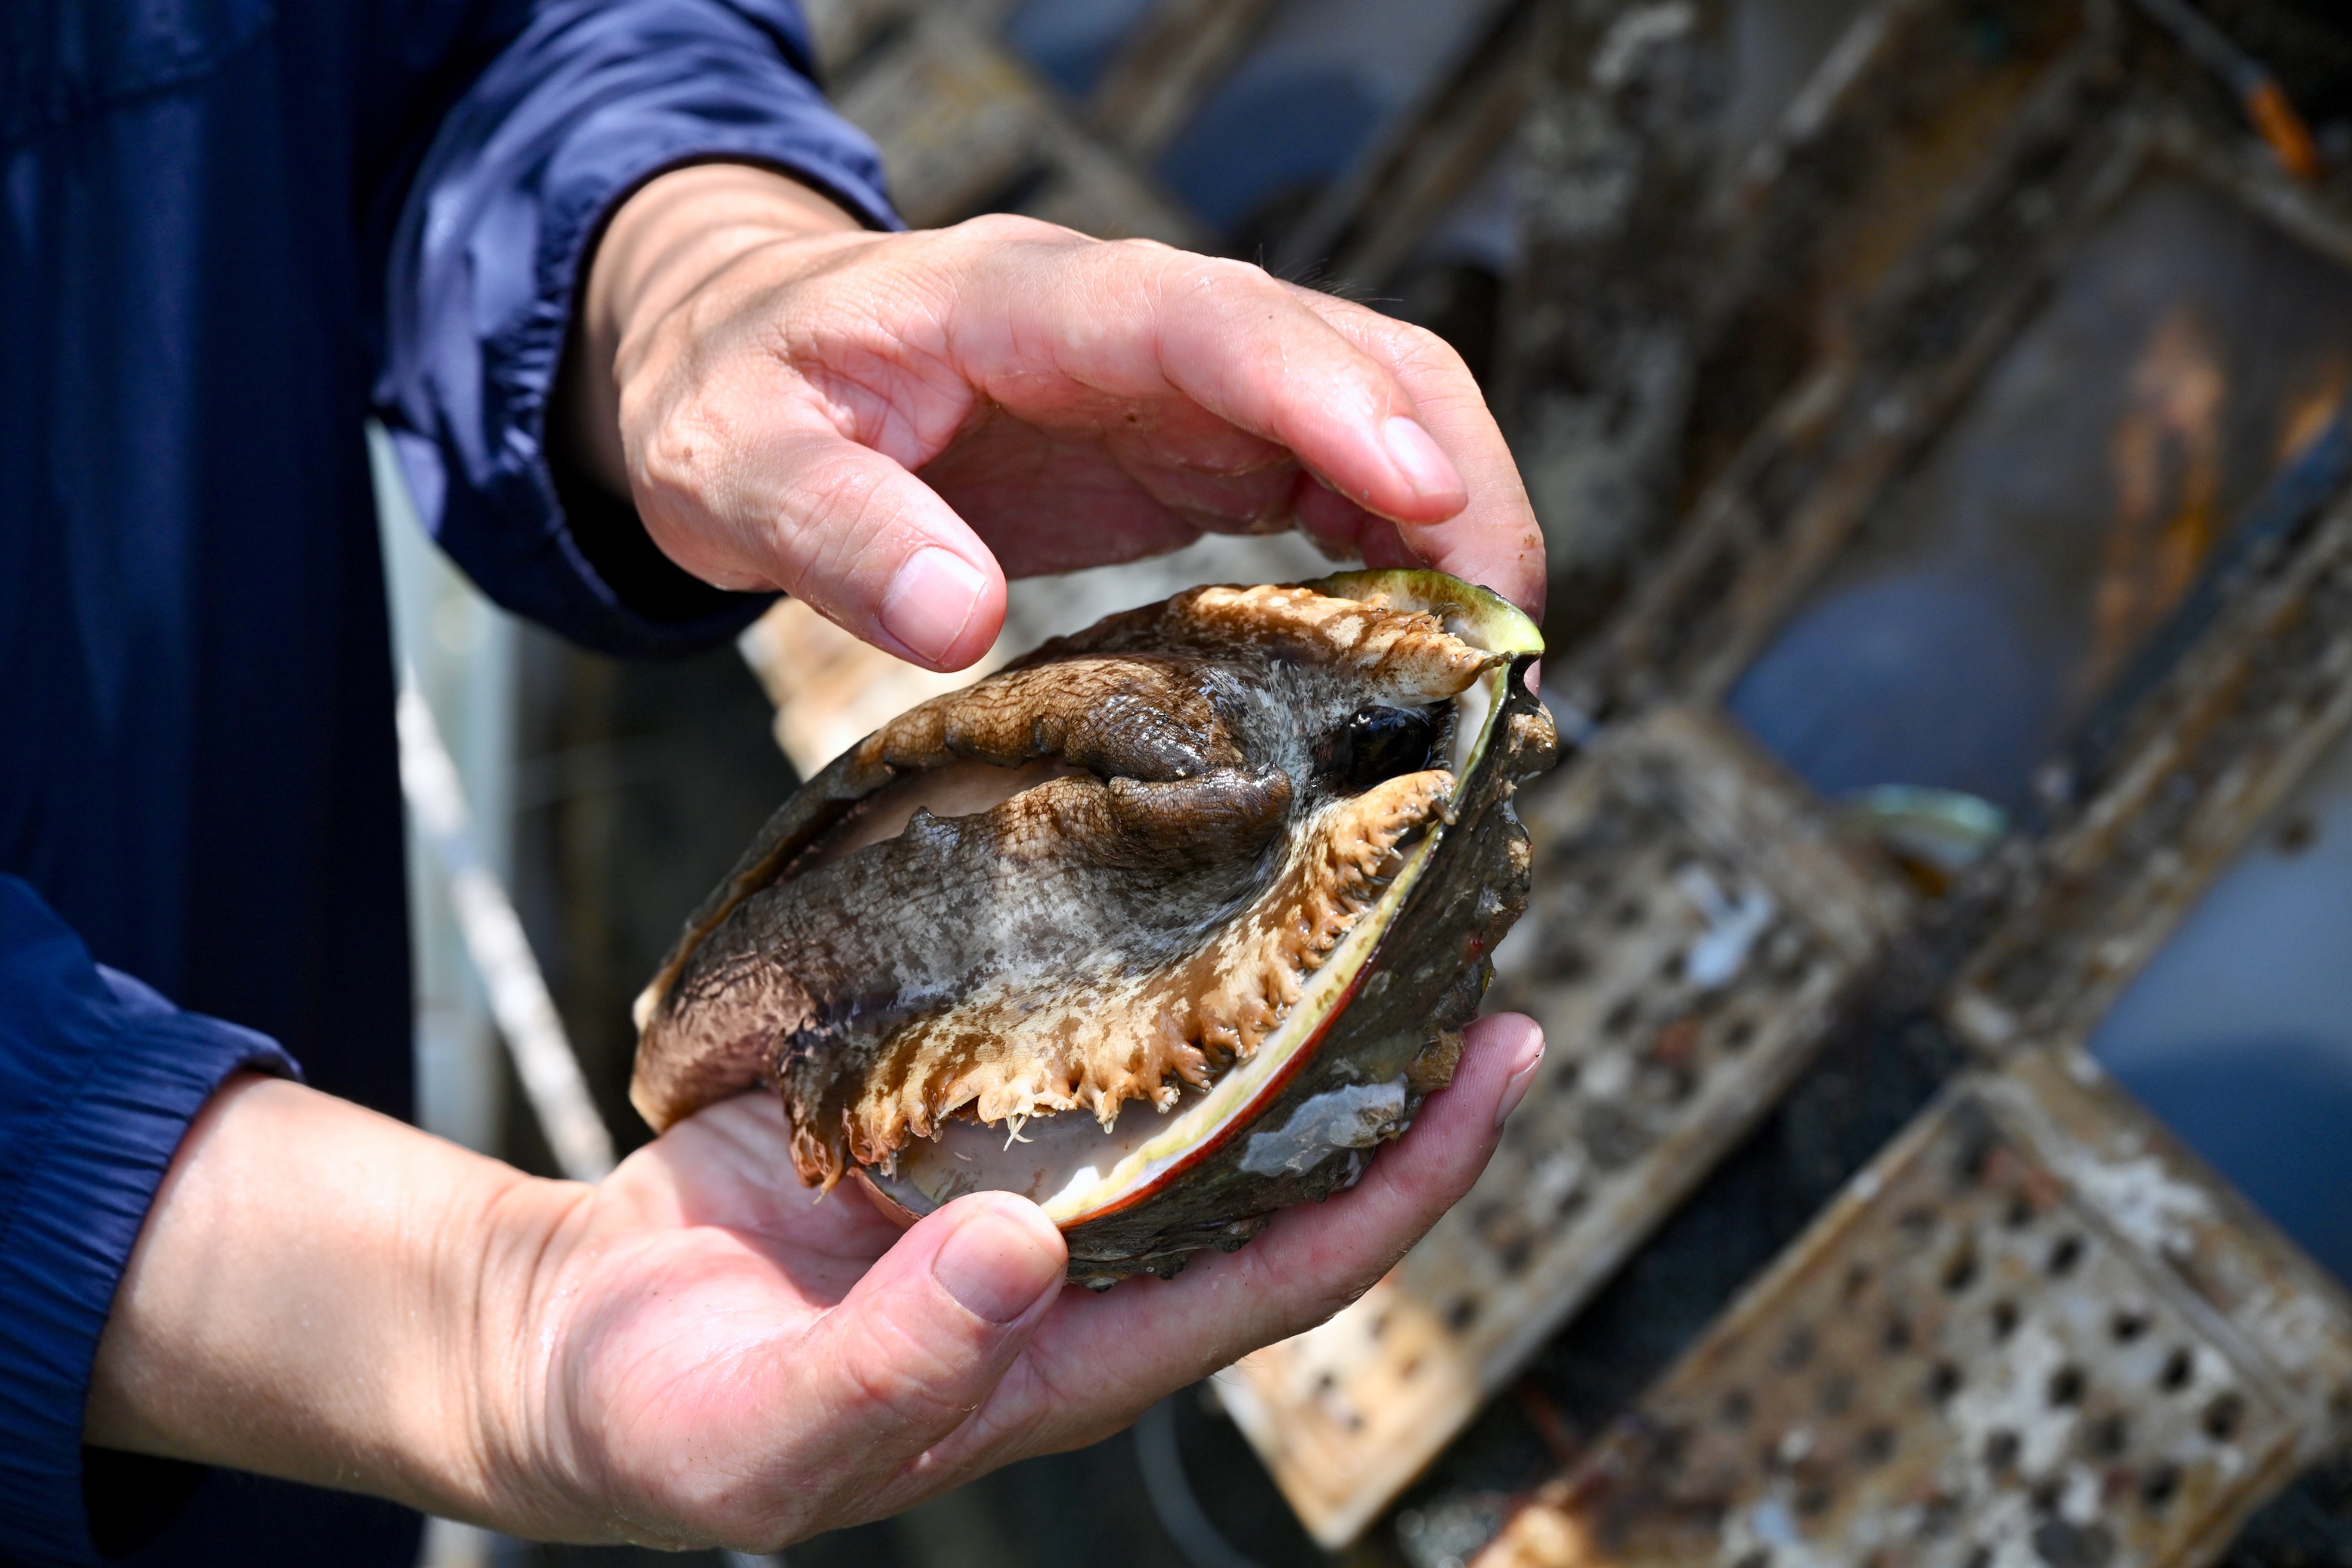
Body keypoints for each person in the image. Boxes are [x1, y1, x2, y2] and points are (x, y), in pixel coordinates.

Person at [0, 2, 1548, 1562]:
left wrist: (699, 272)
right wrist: (460, 1310)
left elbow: (482, 47)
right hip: (213, 1356)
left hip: (284, 1445)